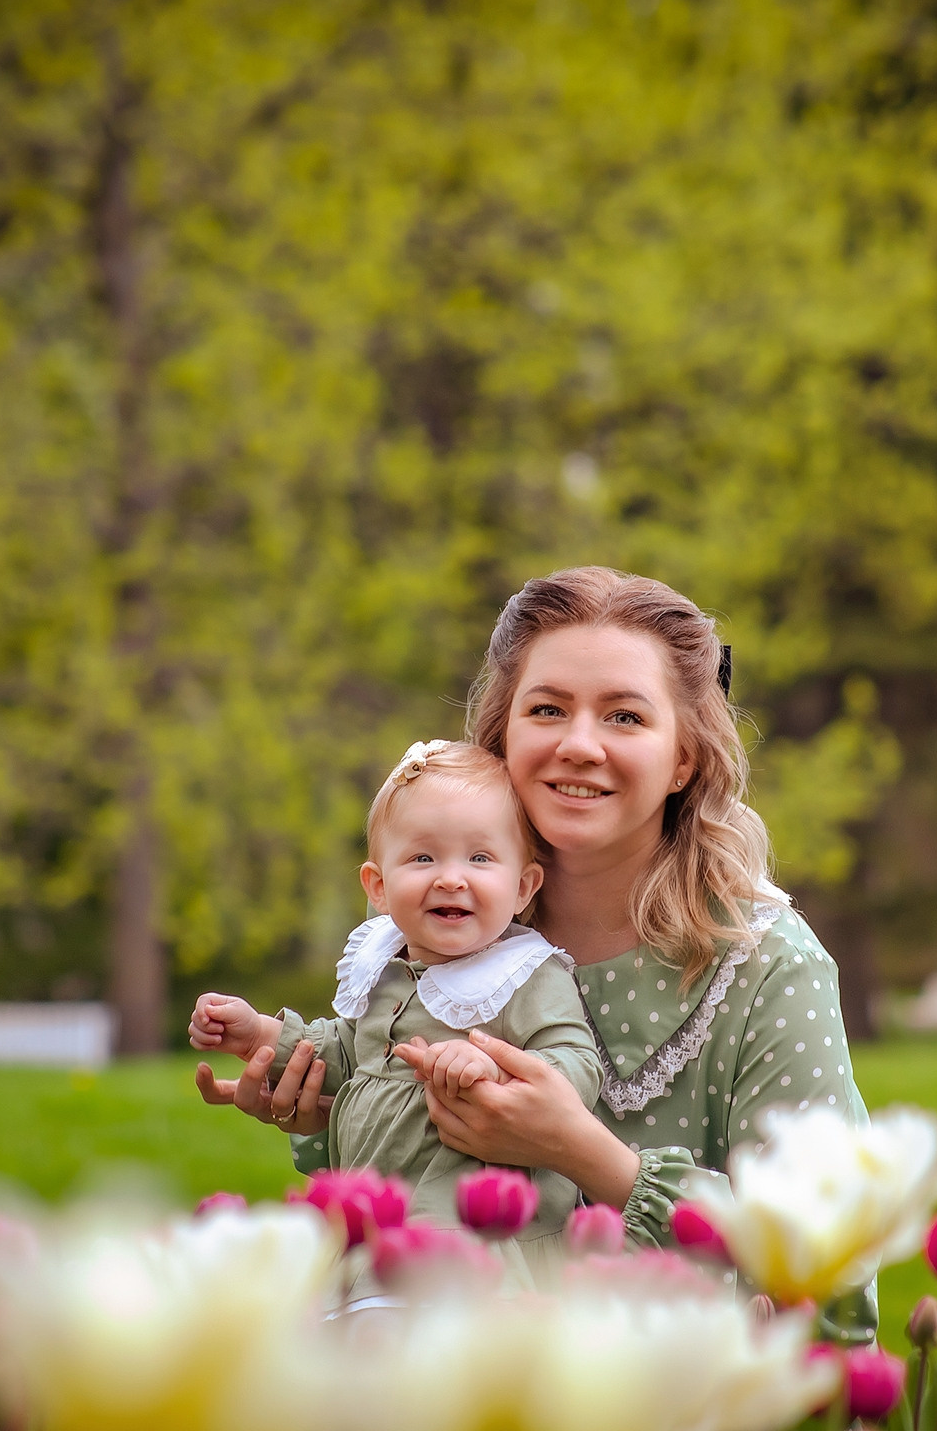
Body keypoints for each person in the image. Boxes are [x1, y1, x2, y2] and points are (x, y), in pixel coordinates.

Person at [199, 567, 870, 1332]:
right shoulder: (449, 926)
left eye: (625, 717)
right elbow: (410, 1188)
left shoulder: (767, 965)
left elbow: (828, 1279)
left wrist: (587, 1153)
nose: (580, 745)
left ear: (683, 757)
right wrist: (320, 1109)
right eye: (547, 709)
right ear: (504, 735)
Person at [189, 739, 600, 1296]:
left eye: (480, 858)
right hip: (375, 1223)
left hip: (475, 1241)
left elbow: (577, 1065)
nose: (451, 878)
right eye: (423, 858)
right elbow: (343, 1052)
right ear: (378, 887)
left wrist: (493, 1065)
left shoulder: (526, 972)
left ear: (524, 885)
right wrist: (260, 1033)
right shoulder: (383, 965)